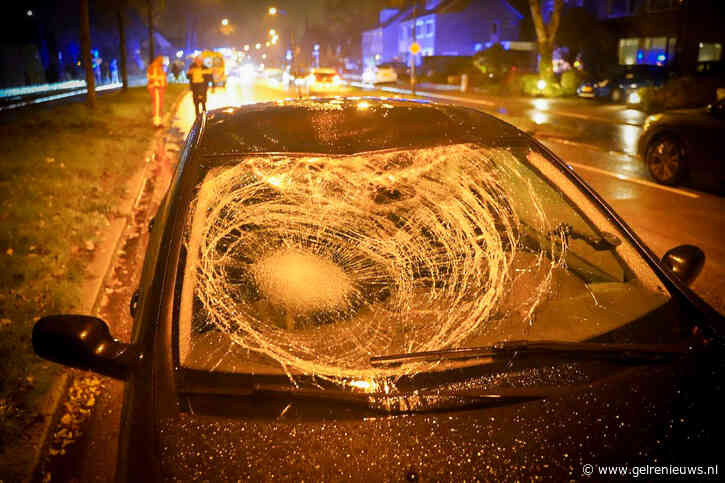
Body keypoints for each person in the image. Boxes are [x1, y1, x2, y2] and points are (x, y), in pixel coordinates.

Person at [146, 56, 167, 127]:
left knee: (159, 104)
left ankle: (159, 121)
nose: (162, 62)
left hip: (159, 88)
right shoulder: (154, 67)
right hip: (156, 89)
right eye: (161, 61)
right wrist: (157, 84)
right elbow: (152, 78)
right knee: (157, 104)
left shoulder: (158, 67)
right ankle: (156, 122)